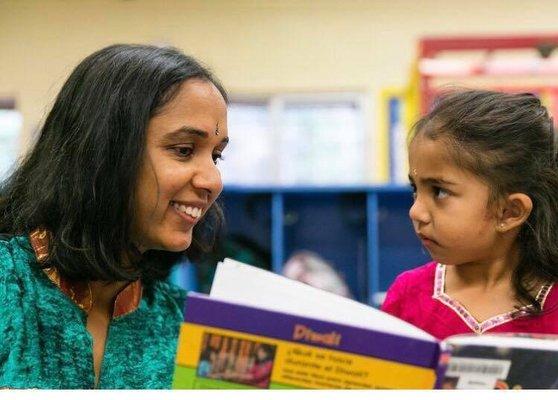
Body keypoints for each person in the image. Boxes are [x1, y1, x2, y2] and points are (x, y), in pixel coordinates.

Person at [0, 44, 229, 388]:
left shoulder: (191, 330)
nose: (213, 180)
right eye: (184, 150)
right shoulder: (9, 288)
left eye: (216, 156)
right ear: (104, 151)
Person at [382, 90, 558, 340]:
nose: (416, 211)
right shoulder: (407, 295)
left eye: (439, 192)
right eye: (415, 188)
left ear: (509, 212)